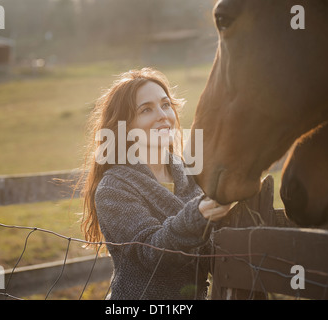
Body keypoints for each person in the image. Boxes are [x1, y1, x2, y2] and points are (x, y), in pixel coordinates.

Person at [79, 67, 231, 300]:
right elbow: (151, 252)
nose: (163, 115)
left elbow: (216, 251)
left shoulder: (190, 175)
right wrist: (197, 215)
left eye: (166, 104)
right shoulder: (114, 188)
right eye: (146, 109)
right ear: (126, 126)